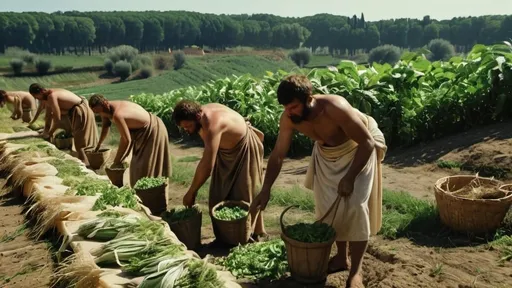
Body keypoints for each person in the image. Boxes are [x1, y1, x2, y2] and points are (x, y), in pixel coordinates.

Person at [249, 74, 387, 288]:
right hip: (326, 153)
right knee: (329, 208)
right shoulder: (288, 117)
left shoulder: (334, 107)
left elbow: (367, 143)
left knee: (356, 206)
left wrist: (350, 177)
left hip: (358, 148)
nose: (289, 112)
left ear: (308, 98)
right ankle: (342, 257)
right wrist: (265, 188)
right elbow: (277, 155)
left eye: (293, 106)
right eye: (286, 107)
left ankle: (356, 272)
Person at [172, 100, 266, 242]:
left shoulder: (212, 123)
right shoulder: (200, 116)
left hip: (244, 148)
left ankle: (248, 237)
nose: (187, 130)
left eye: (188, 126)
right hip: (225, 151)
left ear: (197, 117)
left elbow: (207, 164)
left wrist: (192, 191)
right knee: (218, 195)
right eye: (183, 128)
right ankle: (230, 238)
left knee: (244, 196)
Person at [88, 94, 171, 187]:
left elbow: (126, 140)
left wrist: (116, 161)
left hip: (153, 130)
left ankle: (153, 193)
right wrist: (98, 145)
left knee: (145, 167)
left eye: (100, 112)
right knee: (138, 167)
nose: (100, 115)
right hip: (143, 130)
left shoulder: (117, 114)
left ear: (105, 104)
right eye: (97, 113)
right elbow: (105, 126)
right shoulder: (106, 110)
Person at [29, 83, 98, 166]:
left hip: (80, 110)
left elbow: (57, 119)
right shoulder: (47, 97)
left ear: (41, 92)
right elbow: (48, 116)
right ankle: (84, 160)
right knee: (77, 137)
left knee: (78, 139)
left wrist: (50, 133)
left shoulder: (52, 96)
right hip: (74, 110)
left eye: (36, 96)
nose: (36, 98)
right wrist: (45, 132)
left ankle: (85, 163)